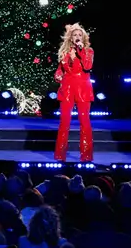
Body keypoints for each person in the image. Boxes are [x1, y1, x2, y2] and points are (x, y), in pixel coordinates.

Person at [54, 23, 95, 162]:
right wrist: (58, 75)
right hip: (67, 89)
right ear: (70, 38)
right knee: (64, 122)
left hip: (83, 89)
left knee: (85, 122)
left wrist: (81, 51)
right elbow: (60, 69)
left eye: (80, 35)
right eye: (74, 35)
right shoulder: (64, 51)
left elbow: (88, 66)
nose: (77, 37)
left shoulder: (88, 51)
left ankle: (86, 155)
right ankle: (60, 155)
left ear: (83, 38)